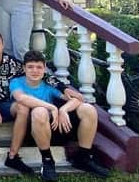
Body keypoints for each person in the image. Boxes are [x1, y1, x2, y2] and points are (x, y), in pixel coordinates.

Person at [0, 30, 80, 175]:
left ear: (2, 45)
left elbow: (43, 75)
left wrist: (63, 88)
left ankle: (13, 156)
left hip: (7, 105)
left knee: (23, 107)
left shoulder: (12, 63)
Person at [10, 51, 110, 181]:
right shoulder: (17, 82)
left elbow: (77, 99)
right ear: (24, 68)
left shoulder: (49, 84)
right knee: (39, 111)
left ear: (45, 68)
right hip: (30, 130)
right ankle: (47, 161)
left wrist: (63, 110)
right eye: (30, 67)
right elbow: (21, 98)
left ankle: (83, 157)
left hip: (52, 127)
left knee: (88, 109)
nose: (35, 71)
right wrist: (52, 107)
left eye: (39, 67)